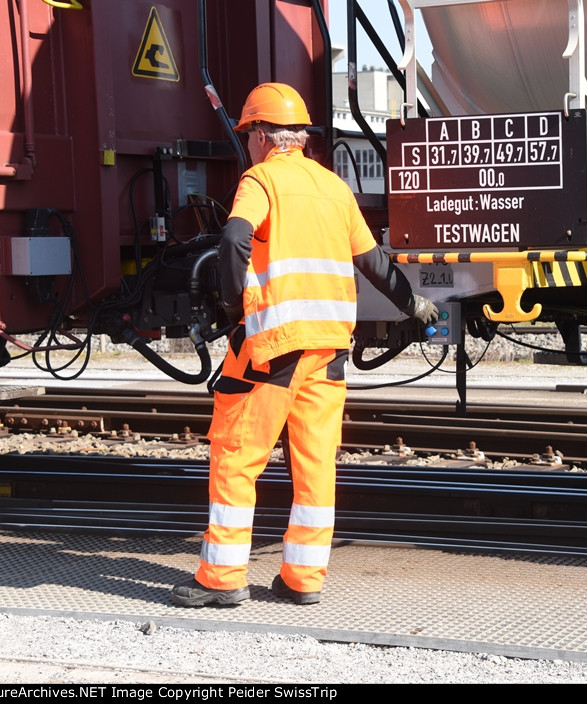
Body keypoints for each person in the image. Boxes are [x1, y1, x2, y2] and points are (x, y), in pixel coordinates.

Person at [171, 83, 438, 607]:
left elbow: (232, 240)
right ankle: (302, 579)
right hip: (329, 348)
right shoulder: (332, 187)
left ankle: (222, 579)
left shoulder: (261, 179)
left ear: (264, 137)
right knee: (315, 462)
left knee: (236, 454)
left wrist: (232, 311)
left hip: (273, 344)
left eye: (249, 133)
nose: (249, 143)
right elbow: (373, 261)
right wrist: (414, 305)